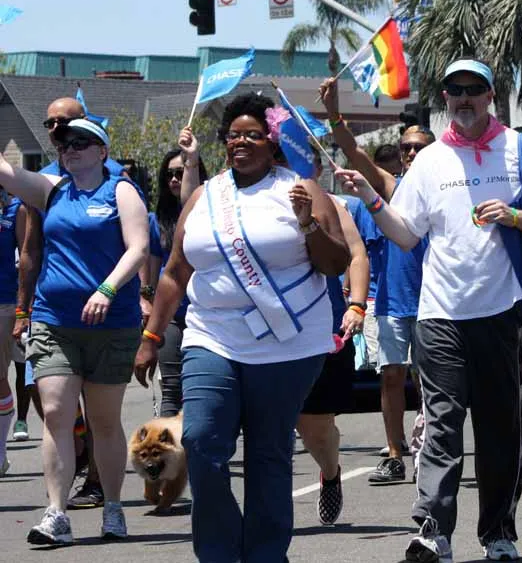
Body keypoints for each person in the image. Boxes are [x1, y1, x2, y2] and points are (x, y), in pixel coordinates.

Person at [337, 58, 522, 563]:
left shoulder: (521, 150)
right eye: (454, 90)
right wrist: (370, 196)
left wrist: (515, 216)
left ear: (489, 95)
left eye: (473, 88)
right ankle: (433, 530)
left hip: (503, 312)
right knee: (441, 423)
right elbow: (406, 234)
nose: (464, 98)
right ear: (445, 99)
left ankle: (498, 534)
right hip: (439, 314)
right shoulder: (431, 161)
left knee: (500, 429)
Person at [134, 94, 350, 562]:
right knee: (200, 438)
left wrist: (308, 225)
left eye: (253, 134)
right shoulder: (204, 196)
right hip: (212, 337)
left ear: (272, 142)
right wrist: (151, 336)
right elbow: (175, 271)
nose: (241, 142)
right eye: (234, 135)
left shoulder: (301, 189)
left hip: (288, 344)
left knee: (268, 453)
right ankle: (219, 552)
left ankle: (265, 554)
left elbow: (336, 263)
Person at [0, 118, 149, 545]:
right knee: (56, 414)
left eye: (82, 142)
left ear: (103, 151)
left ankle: (113, 507)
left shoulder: (120, 191)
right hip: (55, 321)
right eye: (65, 144)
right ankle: (56, 513)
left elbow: (139, 247)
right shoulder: (52, 190)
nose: (71, 149)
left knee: (104, 422)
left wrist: (107, 289)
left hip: (111, 324)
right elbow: (6, 172)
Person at [320, 81, 434, 483]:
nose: (412, 153)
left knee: (429, 382)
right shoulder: (392, 187)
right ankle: (395, 453)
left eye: (419, 148)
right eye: (406, 148)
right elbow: (354, 153)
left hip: (435, 303)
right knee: (391, 376)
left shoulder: (445, 190)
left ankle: (428, 449)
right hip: (392, 302)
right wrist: (333, 113)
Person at [295, 145, 370, 525]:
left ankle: (330, 471)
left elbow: (356, 255)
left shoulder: (335, 206)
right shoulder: (241, 203)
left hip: (321, 329)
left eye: (300, 159)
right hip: (258, 336)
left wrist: (356, 305)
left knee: (315, 428)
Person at [143, 135, 208, 419]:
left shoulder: (209, 211)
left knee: (201, 388)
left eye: (179, 173)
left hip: (206, 312)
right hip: (170, 313)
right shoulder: (156, 220)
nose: (173, 180)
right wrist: (146, 301)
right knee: (171, 386)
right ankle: (170, 441)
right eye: (168, 174)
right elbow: (151, 268)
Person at [1, 186, 41, 472]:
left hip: (5, 302)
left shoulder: (17, 210)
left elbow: (28, 256)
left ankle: (1, 450)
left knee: (5, 376)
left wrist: (23, 310)